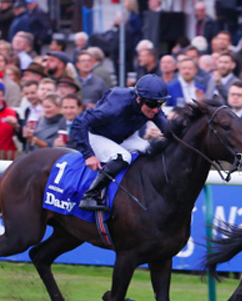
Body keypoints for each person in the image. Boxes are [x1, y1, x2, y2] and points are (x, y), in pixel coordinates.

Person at [70, 74, 170, 212]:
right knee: (123, 157)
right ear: (139, 99)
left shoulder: (151, 104)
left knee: (152, 150)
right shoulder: (115, 107)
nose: (156, 110)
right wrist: (88, 155)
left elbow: (170, 131)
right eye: (152, 104)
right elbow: (79, 122)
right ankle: (89, 196)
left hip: (122, 137)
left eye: (160, 104)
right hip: (97, 135)